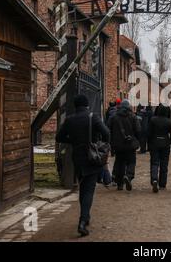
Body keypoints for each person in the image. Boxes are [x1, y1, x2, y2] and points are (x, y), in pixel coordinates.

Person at [56, 94, 109, 237]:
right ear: (86, 105)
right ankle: (83, 221)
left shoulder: (69, 120)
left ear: (75, 106)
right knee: (88, 190)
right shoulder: (94, 117)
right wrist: (97, 142)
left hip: (77, 158)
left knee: (83, 187)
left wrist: (73, 140)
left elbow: (59, 137)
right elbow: (107, 134)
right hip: (92, 158)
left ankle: (86, 216)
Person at [109, 99, 141, 191]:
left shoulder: (114, 117)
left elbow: (109, 129)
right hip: (130, 144)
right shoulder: (133, 116)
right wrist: (137, 140)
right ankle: (128, 176)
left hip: (118, 145)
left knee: (120, 162)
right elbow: (138, 130)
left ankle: (120, 184)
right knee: (131, 162)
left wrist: (112, 142)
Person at [148, 104, 171, 193]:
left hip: (154, 143)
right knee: (164, 165)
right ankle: (162, 184)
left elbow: (149, 133)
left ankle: (154, 179)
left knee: (154, 163)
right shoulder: (169, 121)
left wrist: (150, 142)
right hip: (165, 143)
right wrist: (169, 141)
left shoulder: (153, 120)